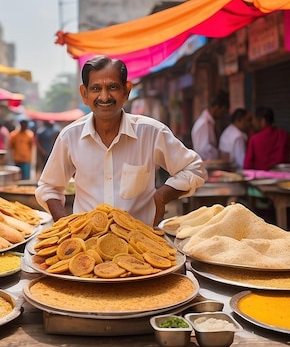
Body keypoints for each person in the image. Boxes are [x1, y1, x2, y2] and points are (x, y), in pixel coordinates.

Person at [35, 55, 206, 228]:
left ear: (126, 91)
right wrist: (65, 226)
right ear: (84, 94)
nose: (104, 96)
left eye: (113, 87)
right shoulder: (69, 137)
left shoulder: (151, 132)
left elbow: (194, 168)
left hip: (141, 244)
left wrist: (162, 196)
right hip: (87, 247)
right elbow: (49, 187)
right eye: (95, 88)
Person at [191, 91, 230, 161]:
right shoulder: (204, 123)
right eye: (222, 111)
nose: (222, 114)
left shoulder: (208, 122)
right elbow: (203, 150)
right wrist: (219, 155)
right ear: (217, 108)